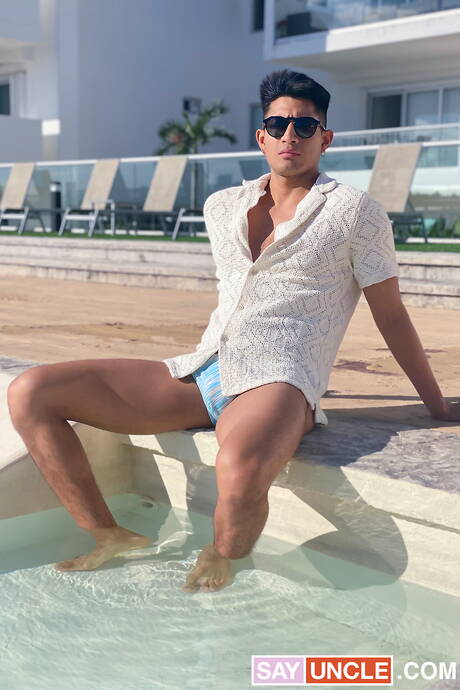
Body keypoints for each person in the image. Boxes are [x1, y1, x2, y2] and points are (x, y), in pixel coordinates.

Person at [7, 69, 459, 594]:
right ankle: (109, 534)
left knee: (239, 467)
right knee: (31, 391)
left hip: (278, 379)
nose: (291, 135)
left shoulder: (356, 211)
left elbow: (391, 314)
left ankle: (224, 557)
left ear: (326, 138)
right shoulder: (221, 206)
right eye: (279, 125)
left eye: (305, 126)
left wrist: (436, 405)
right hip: (204, 368)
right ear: (262, 137)